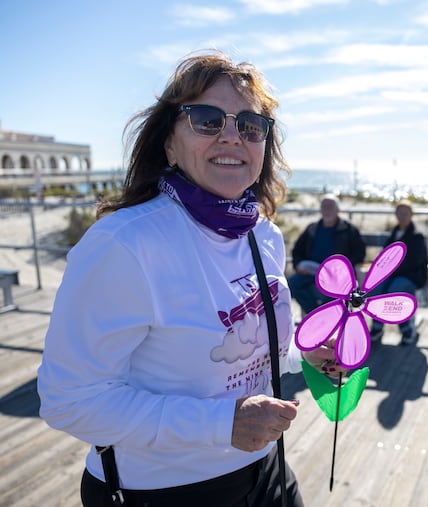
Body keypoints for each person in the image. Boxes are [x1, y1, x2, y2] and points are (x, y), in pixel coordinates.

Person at [36, 50, 345, 507]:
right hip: (161, 490)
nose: (232, 137)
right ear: (169, 143)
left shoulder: (263, 233)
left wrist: (306, 354)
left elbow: (251, 348)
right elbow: (69, 400)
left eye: (250, 126)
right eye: (207, 120)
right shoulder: (124, 245)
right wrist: (222, 425)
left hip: (267, 471)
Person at [287, 194, 366, 316]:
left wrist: (342, 268)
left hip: (337, 276)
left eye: (330, 207)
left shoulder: (348, 230)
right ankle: (315, 315)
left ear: (338, 210)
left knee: (335, 292)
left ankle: (323, 320)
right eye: (324, 207)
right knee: (290, 284)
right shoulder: (312, 228)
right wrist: (298, 266)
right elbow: (297, 250)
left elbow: (359, 253)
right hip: (311, 273)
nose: (327, 210)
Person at [369, 200, 428, 346]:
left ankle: (407, 330)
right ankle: (377, 328)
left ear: (411, 215)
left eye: (405, 213)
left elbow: (415, 262)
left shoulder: (417, 236)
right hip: (393, 274)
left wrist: (392, 268)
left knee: (393, 293)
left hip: (411, 276)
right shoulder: (394, 233)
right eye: (399, 213)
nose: (402, 216)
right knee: (376, 290)